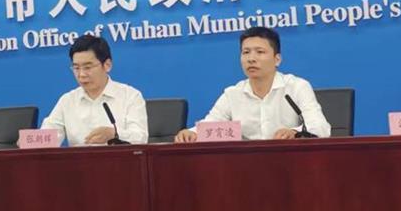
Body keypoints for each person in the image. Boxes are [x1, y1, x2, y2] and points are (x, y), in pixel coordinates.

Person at [175, 26, 331, 141]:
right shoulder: (232, 94)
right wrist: (192, 133)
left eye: (260, 52)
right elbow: (211, 124)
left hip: (291, 162)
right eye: (246, 52)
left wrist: (295, 132)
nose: (251, 59)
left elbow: (320, 126)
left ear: (277, 59)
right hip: (246, 165)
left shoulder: (296, 87)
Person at [42, 34, 147, 146]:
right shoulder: (67, 101)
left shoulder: (130, 96)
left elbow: (140, 138)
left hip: (119, 157)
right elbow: (46, 139)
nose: (81, 75)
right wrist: (34, 141)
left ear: (107, 65)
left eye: (87, 67)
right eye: (76, 68)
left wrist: (114, 134)